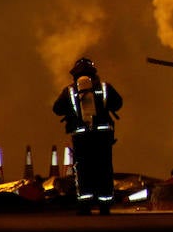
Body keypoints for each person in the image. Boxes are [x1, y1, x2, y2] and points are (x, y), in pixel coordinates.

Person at [52, 57, 123, 215]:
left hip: (81, 138)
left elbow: (57, 109)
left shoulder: (69, 91)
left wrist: (72, 111)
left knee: (84, 170)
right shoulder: (105, 88)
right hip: (103, 137)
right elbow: (118, 103)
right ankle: (105, 205)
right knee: (104, 168)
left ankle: (85, 206)